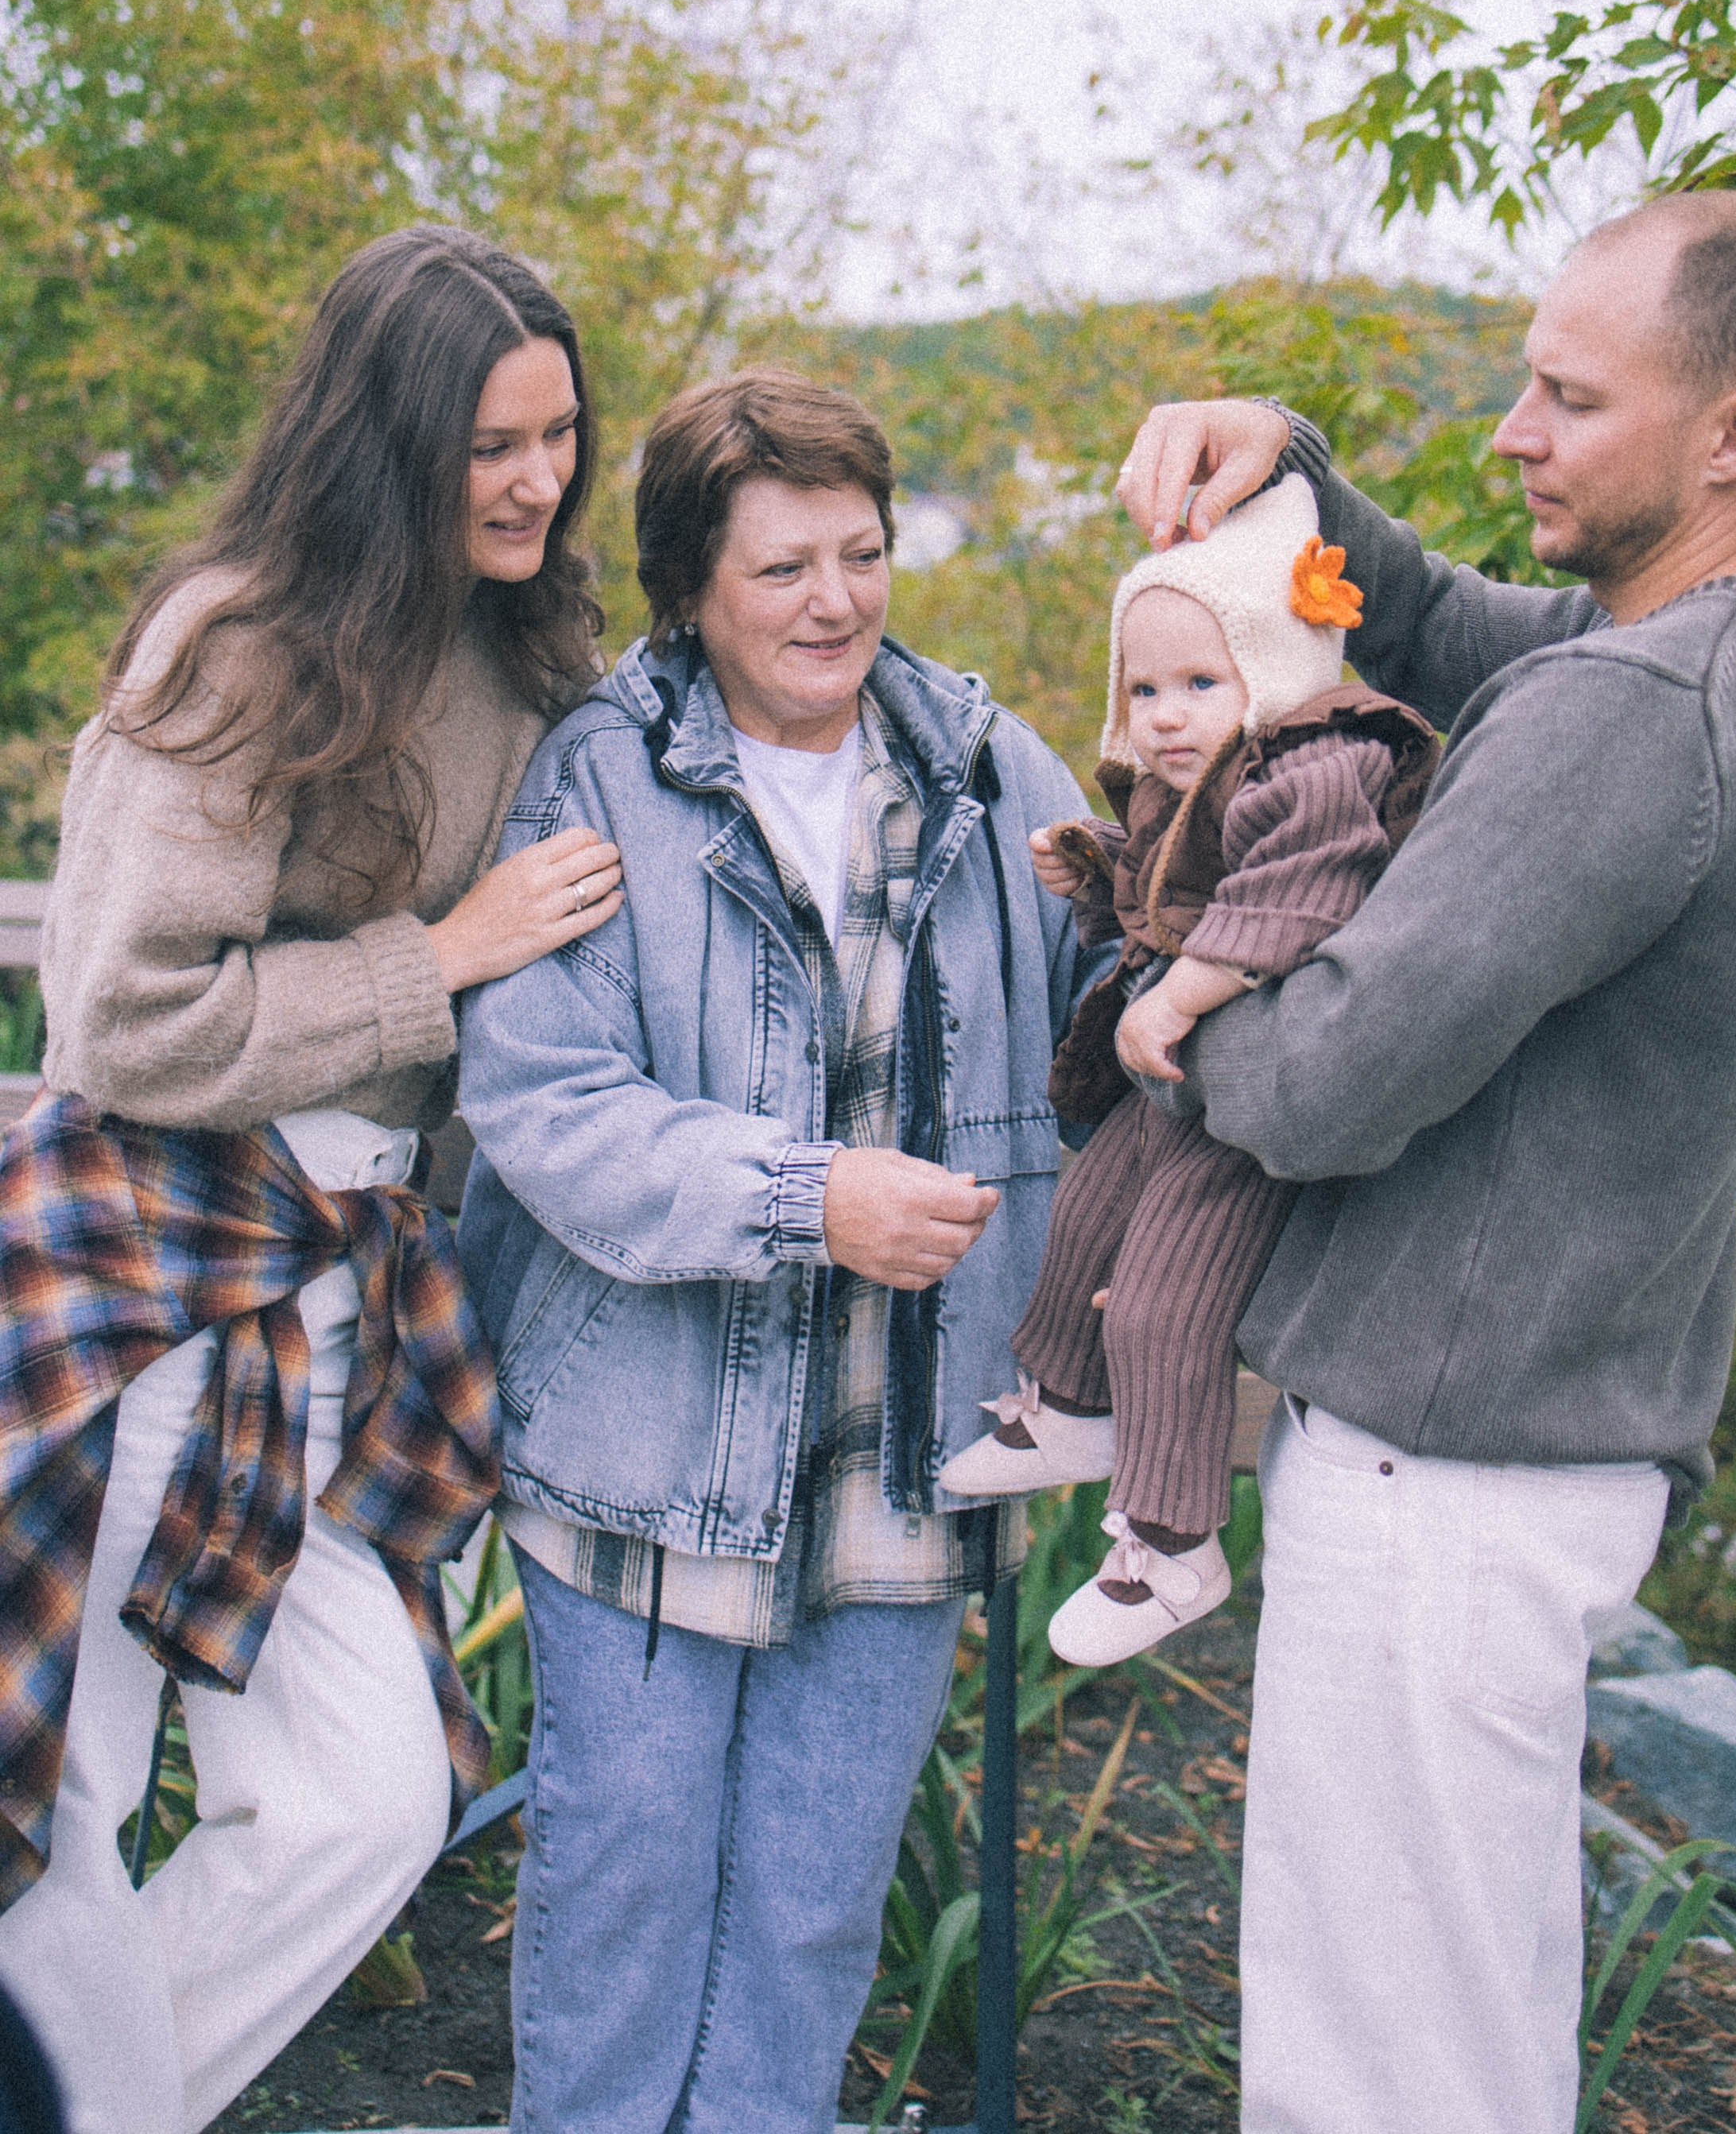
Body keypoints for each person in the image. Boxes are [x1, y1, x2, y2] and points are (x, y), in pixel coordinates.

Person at [1113, 191, 1736, 2134]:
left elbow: (1327, 1080)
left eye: (1567, 396)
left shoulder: (1638, 713)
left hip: (1438, 1482)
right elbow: (1470, 636)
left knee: (1371, 2078)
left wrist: (1162, 993)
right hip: (1552, 1452)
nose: (1514, 432)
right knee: (1469, 2048)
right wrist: (1296, 471)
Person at [451, 366, 1238, 2134]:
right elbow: (549, 1104)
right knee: (619, 1908)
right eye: (781, 570)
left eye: (861, 555)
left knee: (812, 1922)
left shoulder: (983, 763)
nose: (833, 603)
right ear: (688, 591)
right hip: (644, 1466)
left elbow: (1107, 1001)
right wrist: (815, 1198)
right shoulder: (599, 773)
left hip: (907, 1462)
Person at [0, 225, 625, 2134]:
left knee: (370, 1792)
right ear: (388, 445)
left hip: (339, 1295)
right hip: (138, 1271)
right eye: (492, 447)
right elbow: (121, 1022)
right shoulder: (242, 644)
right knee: (60, 1802)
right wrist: (442, 955)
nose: (537, 482)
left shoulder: (525, 654)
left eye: (560, 438)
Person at [940, 474, 1436, 1669]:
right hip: (1177, 1077)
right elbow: (1186, 884)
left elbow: (1288, 904)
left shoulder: (1319, 765)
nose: (1165, 715)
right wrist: (1103, 858)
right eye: (1147, 688)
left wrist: (1179, 990)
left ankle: (1172, 1542)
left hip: (1247, 1103)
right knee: (1084, 1219)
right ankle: (1067, 1407)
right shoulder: (1206, 773)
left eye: (1199, 684)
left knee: (1166, 1302)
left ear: (1274, 671)